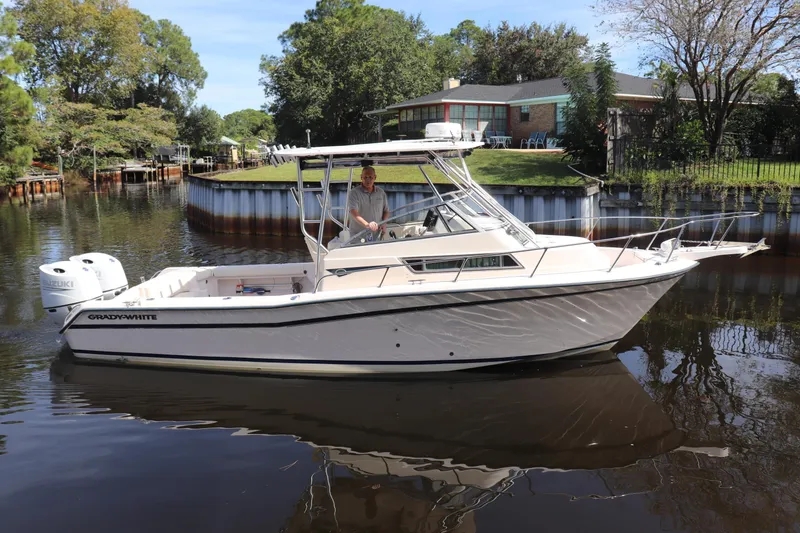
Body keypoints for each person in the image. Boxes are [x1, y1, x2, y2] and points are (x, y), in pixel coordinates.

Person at [348, 166, 389, 241]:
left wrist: (384, 224)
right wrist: (367, 225)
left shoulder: (381, 192)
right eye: (365, 177)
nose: (368, 180)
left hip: (377, 235)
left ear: (375, 177)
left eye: (370, 177)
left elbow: (386, 211)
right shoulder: (354, 193)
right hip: (358, 236)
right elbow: (353, 212)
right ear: (361, 177)